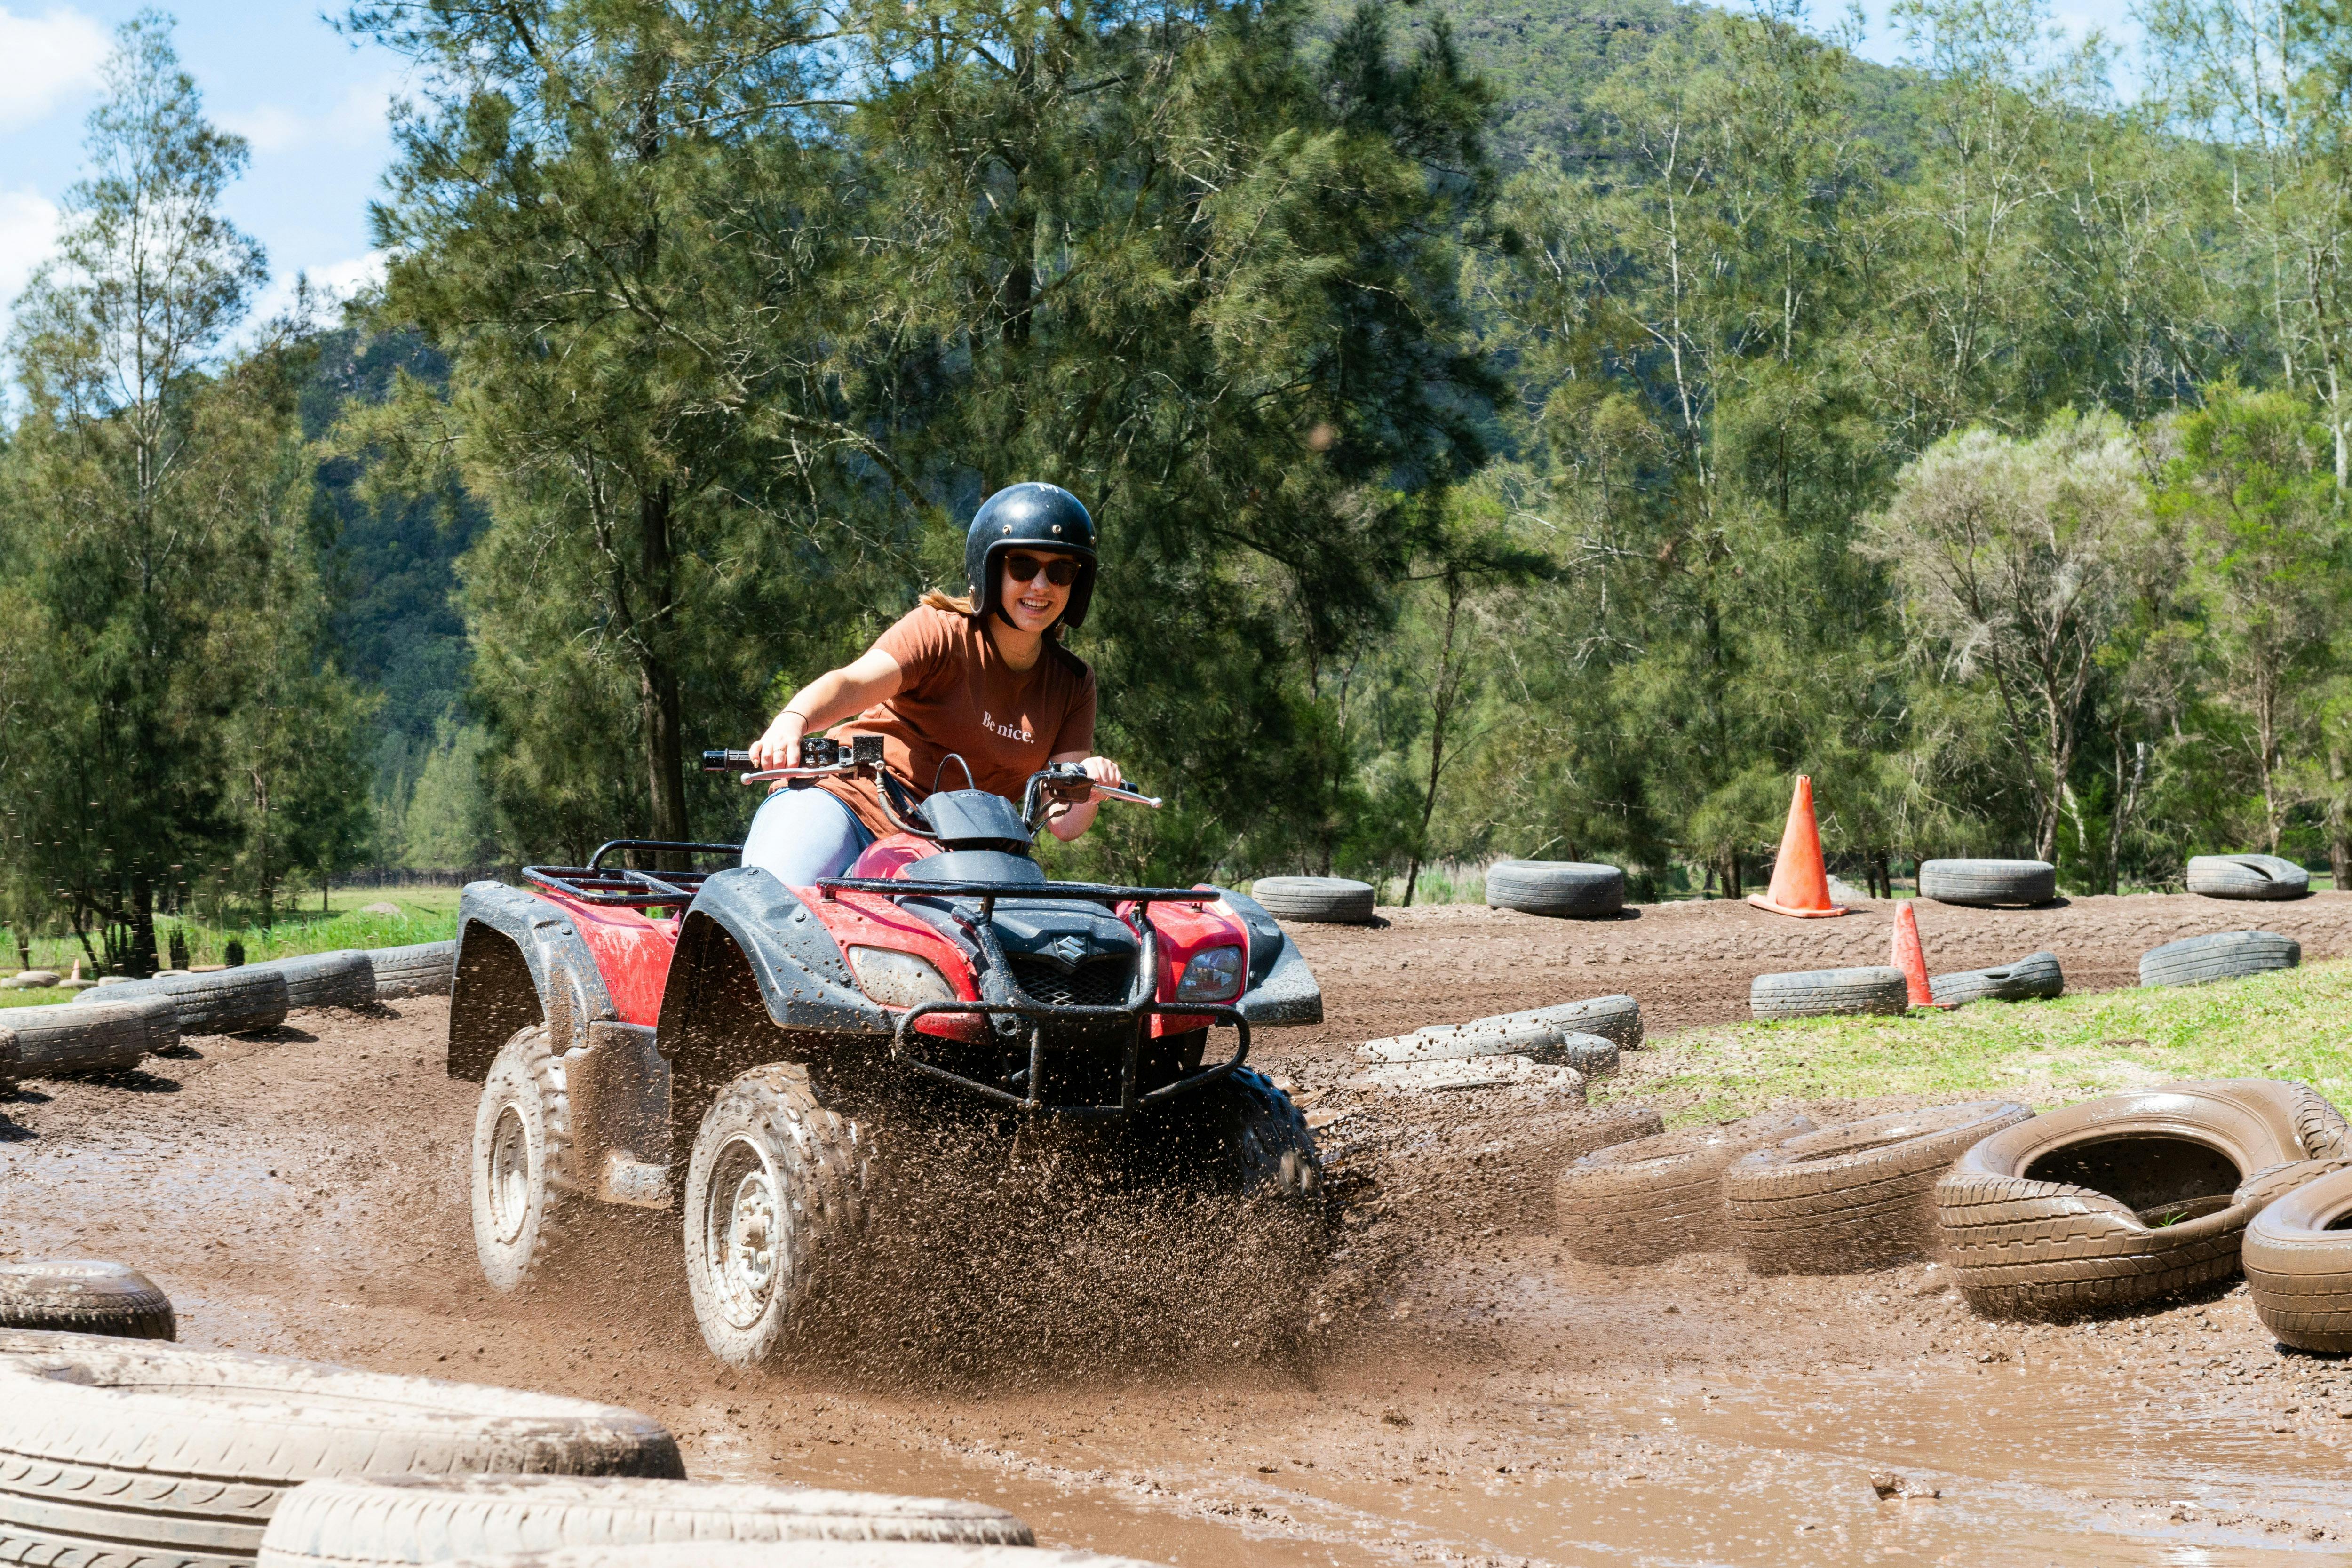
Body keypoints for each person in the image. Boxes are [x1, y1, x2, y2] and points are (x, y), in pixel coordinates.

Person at [740, 483, 1127, 886]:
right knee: (776, 901)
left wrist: (1091, 787)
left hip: (956, 855)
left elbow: (1063, 821)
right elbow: (853, 682)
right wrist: (793, 720)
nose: (1042, 585)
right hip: (849, 803)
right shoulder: (941, 632)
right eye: (1023, 567)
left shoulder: (1073, 683)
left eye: (1061, 571)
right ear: (991, 570)